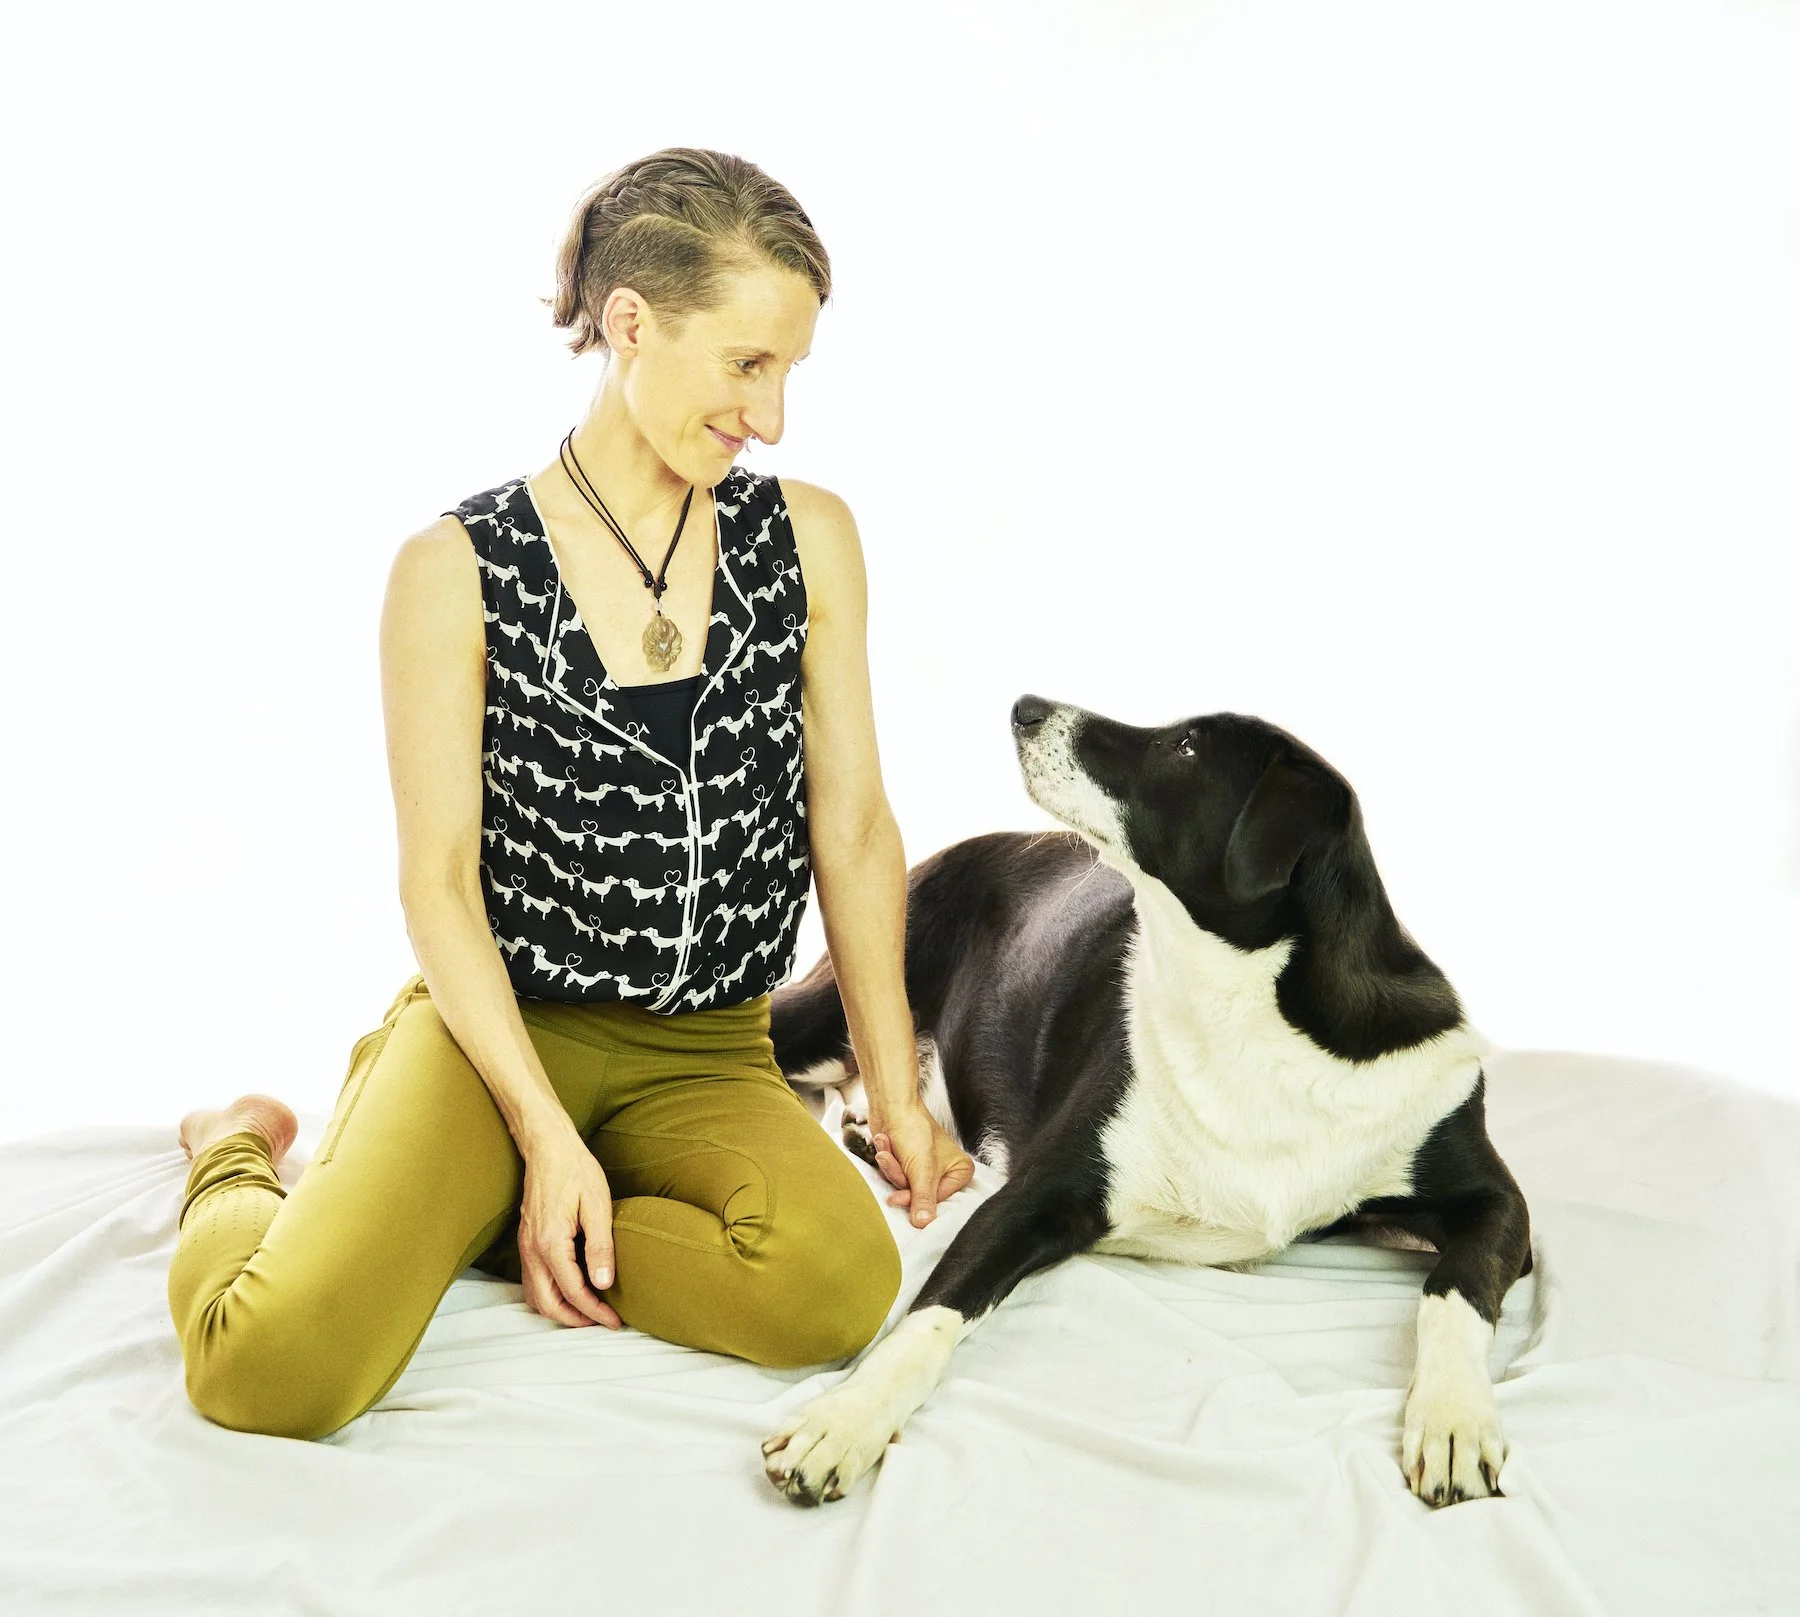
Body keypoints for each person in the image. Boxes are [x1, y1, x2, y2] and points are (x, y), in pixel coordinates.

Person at [167, 147, 975, 1441]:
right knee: (266, 1369)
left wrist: (894, 1093)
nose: (770, 421)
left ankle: (478, 1221)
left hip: (707, 1048)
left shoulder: (809, 540)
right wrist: (540, 1134)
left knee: (837, 1284)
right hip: (502, 1030)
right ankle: (235, 1150)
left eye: (790, 375)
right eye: (747, 367)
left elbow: (856, 826)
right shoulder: (452, 573)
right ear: (632, 325)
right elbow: (436, 884)